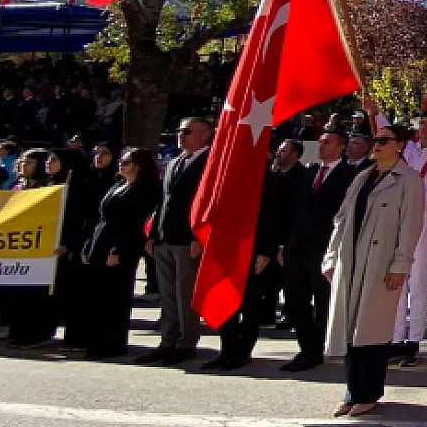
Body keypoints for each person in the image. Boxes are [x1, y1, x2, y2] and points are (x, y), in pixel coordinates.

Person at [323, 123, 423, 417]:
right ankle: (351, 391)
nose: (376, 145)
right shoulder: (362, 176)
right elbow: (341, 220)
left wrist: (400, 264)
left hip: (380, 263)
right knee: (350, 327)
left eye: (384, 140)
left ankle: (368, 393)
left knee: (373, 329)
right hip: (351, 261)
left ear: (400, 145)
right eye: (375, 140)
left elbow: (411, 225)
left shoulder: (409, 180)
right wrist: (331, 258)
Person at [205, 139, 304, 372]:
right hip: (226, 247)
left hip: (253, 248)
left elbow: (270, 216)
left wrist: (265, 251)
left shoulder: (264, 177)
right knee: (226, 299)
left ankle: (242, 351)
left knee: (250, 303)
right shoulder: (225, 176)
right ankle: (227, 349)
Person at [136, 117, 213, 366]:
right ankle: (167, 340)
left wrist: (198, 237)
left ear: (204, 134)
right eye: (179, 131)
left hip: (187, 238)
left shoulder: (210, 162)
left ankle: (186, 342)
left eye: (187, 131)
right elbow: (163, 200)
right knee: (167, 293)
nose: (180, 135)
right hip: (164, 236)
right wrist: (152, 233)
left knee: (185, 292)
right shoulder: (173, 163)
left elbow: (207, 204)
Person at [78, 148, 163, 359]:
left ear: (139, 166)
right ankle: (96, 341)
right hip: (101, 242)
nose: (121, 166)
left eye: (126, 163)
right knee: (97, 296)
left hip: (121, 246)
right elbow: (101, 218)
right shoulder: (118, 185)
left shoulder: (145, 190)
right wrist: (89, 245)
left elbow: (134, 223)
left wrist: (119, 250)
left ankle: (112, 343)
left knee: (115, 296)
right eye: (121, 162)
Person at [282, 128, 354, 373]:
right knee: (296, 302)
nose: (321, 146)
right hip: (296, 248)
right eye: (320, 142)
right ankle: (305, 348)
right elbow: (292, 209)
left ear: (341, 147)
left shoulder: (350, 175)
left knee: (323, 303)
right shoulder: (309, 171)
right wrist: (285, 244)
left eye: (327, 142)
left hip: (324, 251)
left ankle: (316, 350)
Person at [392, 109, 427, 366]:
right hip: (399, 219)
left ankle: (413, 341)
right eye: (421, 123)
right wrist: (372, 110)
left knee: (418, 282)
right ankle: (395, 339)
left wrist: (412, 200)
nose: (423, 128)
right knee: (397, 281)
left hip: (424, 220)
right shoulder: (408, 150)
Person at [1, 149, 58, 349]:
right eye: (22, 162)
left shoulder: (48, 188)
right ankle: (16, 331)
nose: (23, 166)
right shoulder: (18, 186)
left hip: (40, 246)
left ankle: (36, 334)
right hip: (17, 245)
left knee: (35, 294)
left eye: (29, 163)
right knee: (15, 293)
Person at [48, 148, 96, 350]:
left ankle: (77, 338)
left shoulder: (81, 187)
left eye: (55, 159)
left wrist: (70, 243)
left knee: (75, 294)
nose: (49, 162)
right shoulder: (51, 186)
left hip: (73, 248)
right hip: (53, 248)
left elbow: (81, 220)